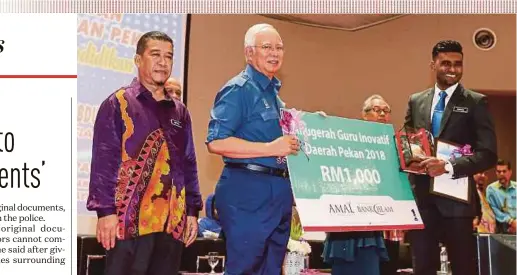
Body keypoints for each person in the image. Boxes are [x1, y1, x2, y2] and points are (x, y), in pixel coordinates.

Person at [86, 31, 203, 275]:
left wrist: (192, 211)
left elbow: (189, 163)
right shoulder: (118, 103)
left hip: (172, 224)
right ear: (138, 60)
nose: (163, 62)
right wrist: (105, 212)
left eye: (169, 56)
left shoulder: (180, 112)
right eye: (155, 54)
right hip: (128, 225)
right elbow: (103, 163)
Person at [206, 23, 298, 275]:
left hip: (278, 195)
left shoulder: (275, 97)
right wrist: (270, 147)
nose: (275, 53)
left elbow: (286, 146)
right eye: (267, 47)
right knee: (245, 269)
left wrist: (314, 127)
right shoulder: (239, 89)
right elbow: (216, 142)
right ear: (249, 53)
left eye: (279, 47)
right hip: (248, 192)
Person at [404, 40, 497, 275]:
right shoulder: (416, 101)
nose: (452, 69)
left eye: (458, 64)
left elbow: (488, 154)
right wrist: (411, 153)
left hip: (457, 204)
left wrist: (448, 165)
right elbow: (406, 139)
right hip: (422, 200)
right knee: (422, 267)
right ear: (433, 64)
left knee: (463, 267)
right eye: (445, 63)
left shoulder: (475, 102)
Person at [322, 95, 390, 275]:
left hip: (373, 222)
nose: (382, 114)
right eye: (377, 110)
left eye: (386, 110)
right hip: (345, 217)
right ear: (364, 114)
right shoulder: (348, 139)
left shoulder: (391, 145)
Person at [486, 159, 516, 234]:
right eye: (499, 172)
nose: (501, 174)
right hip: (502, 231)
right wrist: (511, 221)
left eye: (504, 171)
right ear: (496, 173)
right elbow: (494, 210)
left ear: (510, 172)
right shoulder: (491, 189)